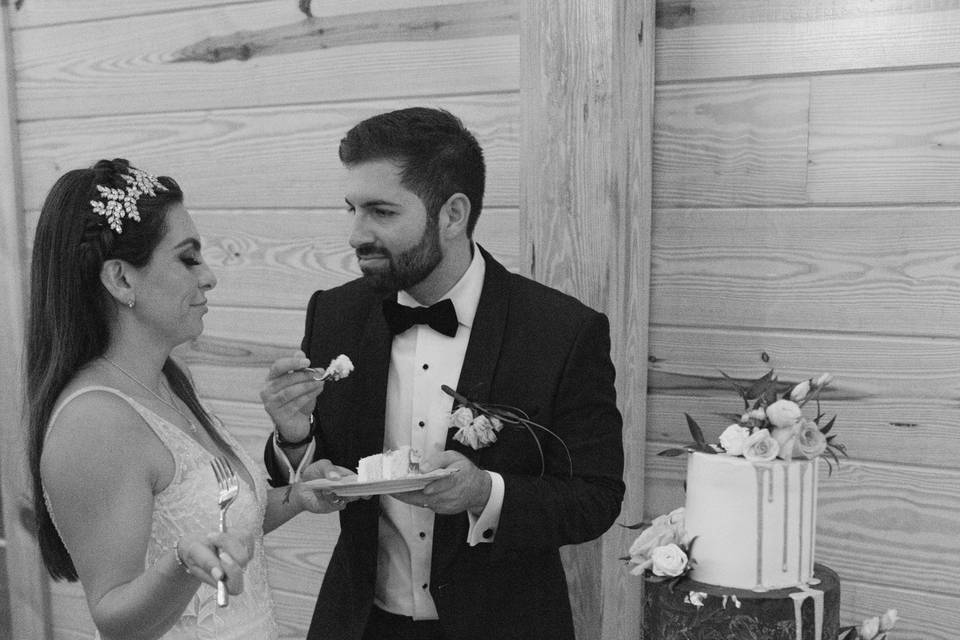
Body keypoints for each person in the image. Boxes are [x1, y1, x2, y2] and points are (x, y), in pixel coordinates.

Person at [261, 108, 625, 640]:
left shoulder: (563, 332)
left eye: (381, 211)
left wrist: (485, 493)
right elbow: (319, 470)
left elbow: (597, 497)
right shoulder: (334, 314)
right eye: (352, 209)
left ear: (452, 214)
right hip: (360, 623)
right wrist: (294, 437)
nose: (355, 233)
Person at [26, 158, 343, 640]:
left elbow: (217, 522)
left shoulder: (171, 379)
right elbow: (114, 616)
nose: (210, 276)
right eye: (188, 258)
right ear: (122, 280)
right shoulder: (94, 421)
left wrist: (297, 497)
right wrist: (180, 566)